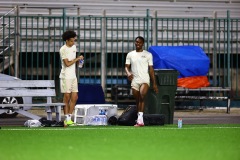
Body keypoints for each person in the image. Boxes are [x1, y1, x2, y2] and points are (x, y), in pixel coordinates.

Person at [125, 36, 158, 127]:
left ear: (143, 44)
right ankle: (139, 118)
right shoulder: (130, 54)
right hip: (135, 80)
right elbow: (126, 67)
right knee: (138, 100)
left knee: (142, 96)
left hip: (144, 79)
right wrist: (128, 73)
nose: (137, 44)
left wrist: (154, 83)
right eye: (136, 42)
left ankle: (140, 121)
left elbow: (151, 69)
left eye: (139, 42)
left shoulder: (148, 55)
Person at [59, 30, 84, 126]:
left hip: (73, 76)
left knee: (75, 97)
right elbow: (67, 63)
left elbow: (73, 62)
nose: (73, 42)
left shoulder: (73, 47)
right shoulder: (63, 49)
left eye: (74, 40)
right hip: (66, 76)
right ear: (67, 40)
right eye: (71, 41)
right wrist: (77, 59)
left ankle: (69, 118)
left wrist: (79, 60)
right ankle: (66, 119)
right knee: (67, 97)